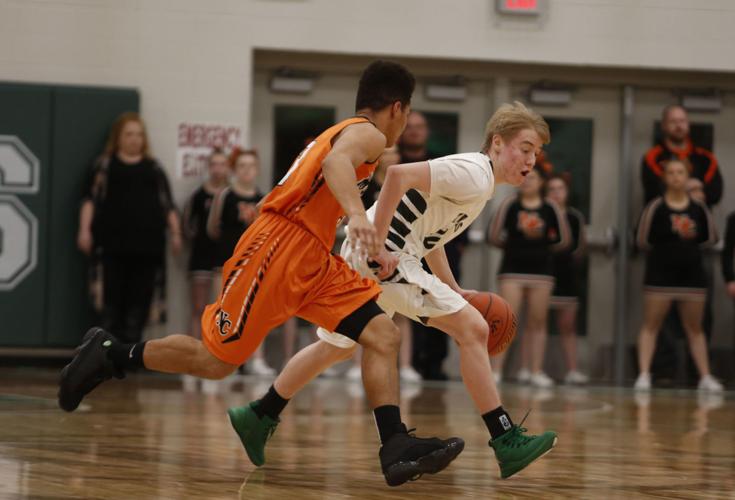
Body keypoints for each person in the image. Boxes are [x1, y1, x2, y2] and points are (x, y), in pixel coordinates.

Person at [58, 61, 463, 487]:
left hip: (313, 257)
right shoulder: (368, 132)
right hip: (278, 249)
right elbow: (335, 165)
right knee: (216, 362)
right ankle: (111, 353)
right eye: (408, 112)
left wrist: (371, 243)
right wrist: (358, 217)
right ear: (397, 108)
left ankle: (395, 444)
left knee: (383, 335)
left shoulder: (349, 133)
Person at [230, 101, 559, 480]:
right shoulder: (474, 173)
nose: (532, 160)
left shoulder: (479, 187)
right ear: (498, 144)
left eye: (537, 153)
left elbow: (430, 237)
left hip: (386, 252)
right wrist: (379, 244)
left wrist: (453, 289)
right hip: (386, 255)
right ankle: (505, 440)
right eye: (526, 148)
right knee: (474, 329)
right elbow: (399, 175)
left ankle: (258, 415)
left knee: (337, 346)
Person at [77, 112, 181, 345]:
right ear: (118, 137)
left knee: (139, 304)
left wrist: (176, 233)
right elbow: (89, 200)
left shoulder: (153, 168)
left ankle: (130, 354)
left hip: (147, 247)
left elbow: (168, 204)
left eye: (139, 134)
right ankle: (105, 354)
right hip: (111, 245)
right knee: (110, 303)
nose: (135, 139)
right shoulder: (104, 166)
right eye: (129, 134)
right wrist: (84, 230)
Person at [634, 158, 723, 393]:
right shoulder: (655, 207)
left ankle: (705, 376)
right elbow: (643, 240)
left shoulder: (699, 208)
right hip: (660, 276)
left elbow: (711, 238)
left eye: (680, 172)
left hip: (692, 276)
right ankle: (644, 374)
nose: (675, 176)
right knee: (651, 325)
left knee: (695, 328)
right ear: (664, 178)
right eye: (671, 172)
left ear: (687, 176)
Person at [487, 167, 571, 387]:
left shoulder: (550, 207)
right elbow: (493, 235)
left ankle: (536, 371)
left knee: (538, 322)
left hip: (542, 272)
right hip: (512, 269)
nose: (527, 181)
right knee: (507, 320)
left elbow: (563, 240)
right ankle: (496, 371)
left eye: (533, 177)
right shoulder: (510, 204)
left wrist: (541, 249)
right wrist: (515, 247)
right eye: (524, 176)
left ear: (542, 182)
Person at [345, 145, 422, 383]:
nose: (393, 157)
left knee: (403, 312)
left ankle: (405, 366)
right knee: (364, 309)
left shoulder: (407, 185)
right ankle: (357, 365)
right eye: (388, 153)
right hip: (368, 251)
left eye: (397, 153)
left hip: (400, 250)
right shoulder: (366, 187)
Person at [398, 111, 456, 380]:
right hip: (399, 246)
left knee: (441, 302)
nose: (414, 131)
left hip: (435, 244)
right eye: (410, 127)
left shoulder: (438, 164)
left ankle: (434, 363)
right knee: (403, 307)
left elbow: (451, 207)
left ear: (427, 131)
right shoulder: (392, 163)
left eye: (420, 127)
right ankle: (403, 364)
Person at [207, 149, 274, 377]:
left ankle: (257, 360)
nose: (247, 171)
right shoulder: (225, 195)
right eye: (242, 166)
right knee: (223, 311)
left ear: (257, 169)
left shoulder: (264, 198)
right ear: (235, 170)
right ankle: (219, 357)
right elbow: (213, 227)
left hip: (254, 265)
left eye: (251, 166)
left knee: (256, 313)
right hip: (225, 263)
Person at [180, 149, 231, 391]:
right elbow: (188, 226)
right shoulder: (198, 197)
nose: (218, 169)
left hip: (224, 258)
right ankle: (191, 356)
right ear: (209, 167)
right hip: (201, 256)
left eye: (223, 164)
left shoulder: (232, 195)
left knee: (220, 309)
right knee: (198, 308)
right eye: (215, 164)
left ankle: (215, 357)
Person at [545, 173, 589, 385]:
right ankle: (531, 369)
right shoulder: (542, 213)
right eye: (552, 188)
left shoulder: (574, 217)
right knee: (536, 324)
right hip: (543, 272)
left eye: (560, 188)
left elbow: (580, 249)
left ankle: (572, 370)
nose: (556, 193)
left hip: (567, 274)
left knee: (568, 326)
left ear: (567, 192)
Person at [641, 105, 723, 207]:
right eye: (673, 121)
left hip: (697, 219)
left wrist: (677, 188)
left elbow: (715, 193)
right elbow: (654, 190)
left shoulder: (706, 158)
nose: (678, 126)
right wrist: (692, 187)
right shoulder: (652, 156)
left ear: (688, 124)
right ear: (663, 125)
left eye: (682, 121)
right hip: (663, 218)